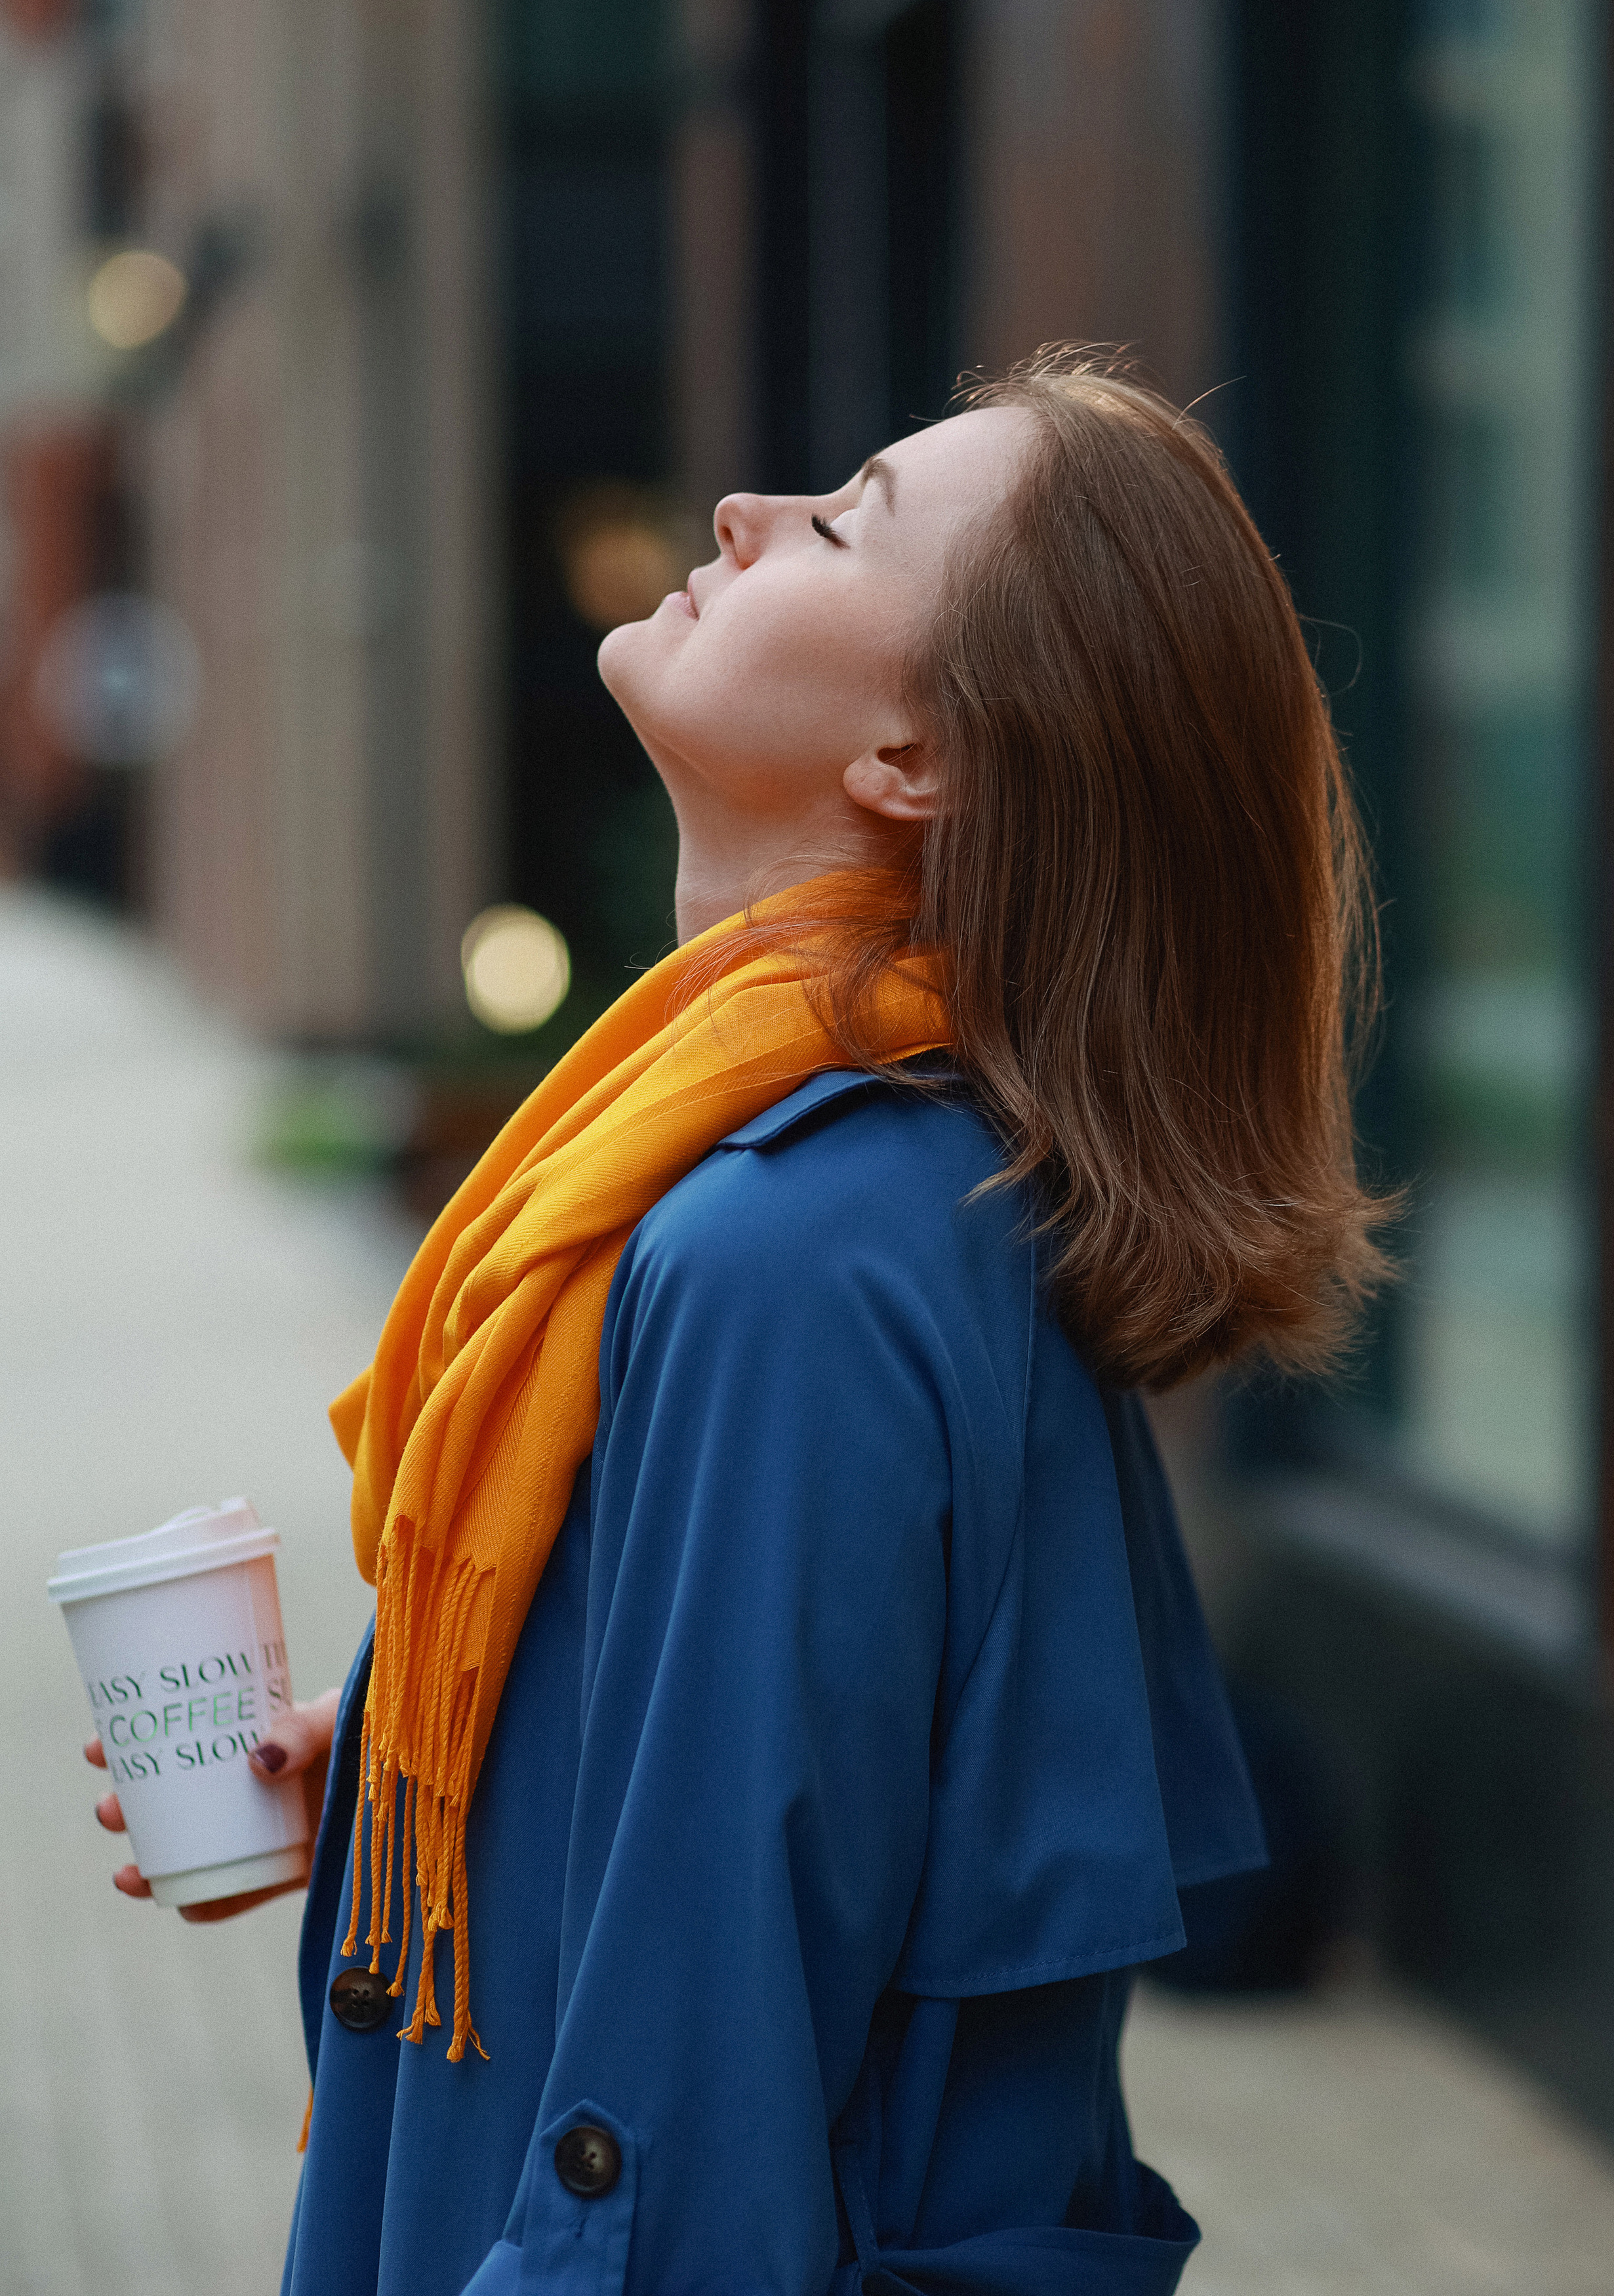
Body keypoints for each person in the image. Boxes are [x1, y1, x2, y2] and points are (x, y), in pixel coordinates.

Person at [89, 347, 1389, 2295]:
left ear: (922, 759)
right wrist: (415, 1776)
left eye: (844, 518)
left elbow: (692, 2077)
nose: (742, 514)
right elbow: (790, 1812)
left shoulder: (790, 1255)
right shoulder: (870, 1181)